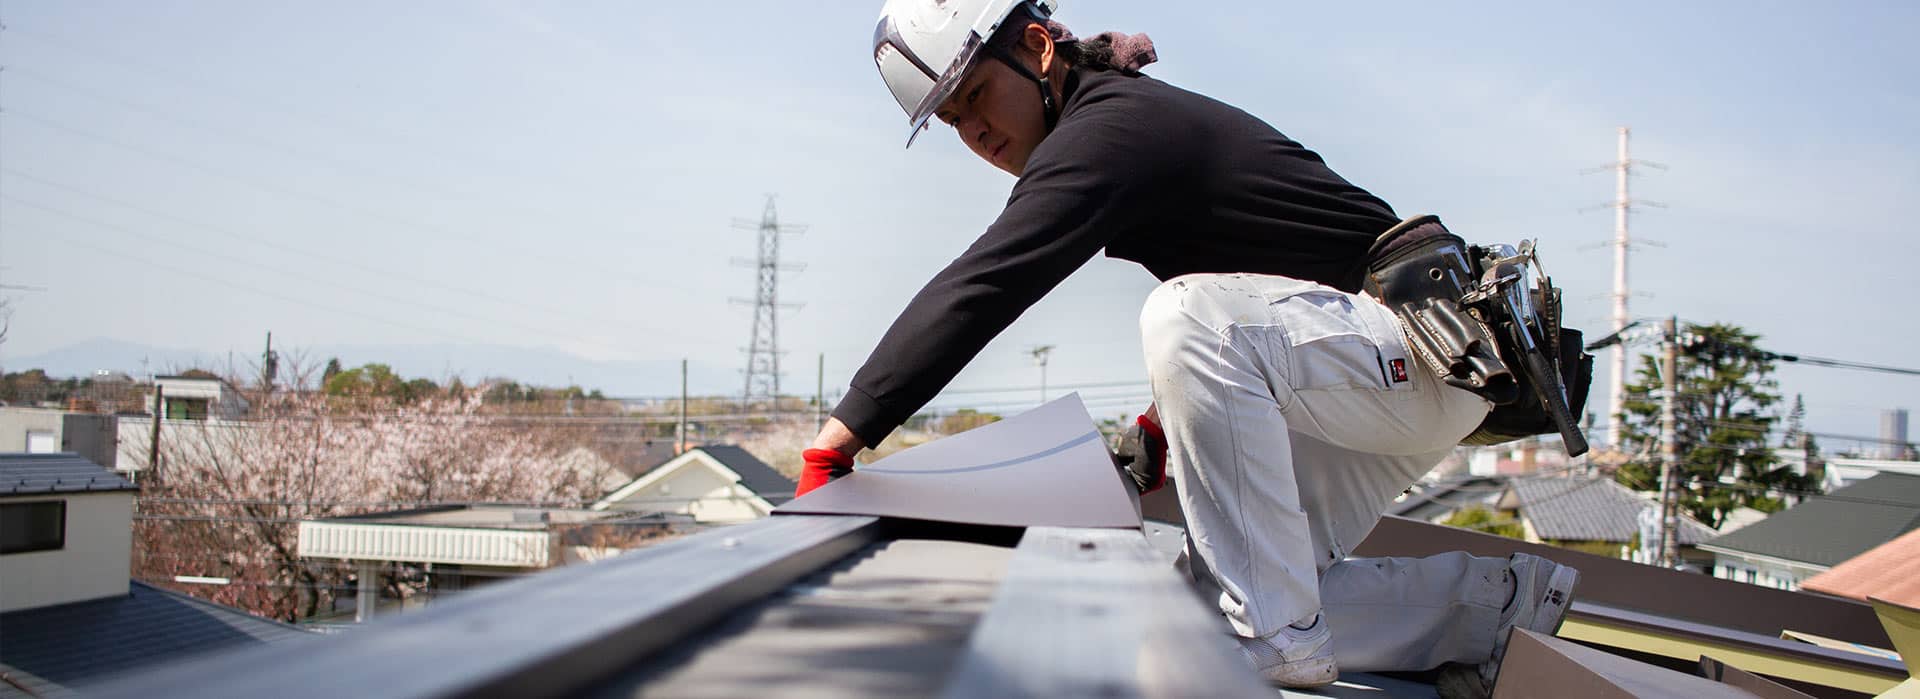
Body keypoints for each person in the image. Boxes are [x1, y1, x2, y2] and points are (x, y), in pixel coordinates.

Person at [798, 1, 1580, 695]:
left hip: (1421, 348)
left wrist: (838, 442)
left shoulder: (1110, 128)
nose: (974, 132)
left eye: (974, 96)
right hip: (1362, 372)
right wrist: (1160, 422)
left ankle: (1279, 639)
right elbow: (1268, 299)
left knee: (1183, 316)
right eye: (952, 122)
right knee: (1212, 609)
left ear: (1036, 48)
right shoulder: (1112, 123)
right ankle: (1496, 610)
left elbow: (988, 281)